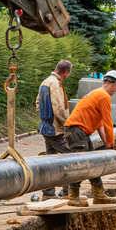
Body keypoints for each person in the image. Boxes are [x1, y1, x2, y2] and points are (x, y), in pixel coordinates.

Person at [60, 70, 116, 207]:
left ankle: (99, 195)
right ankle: (73, 197)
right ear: (113, 83)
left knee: (93, 163)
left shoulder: (97, 94)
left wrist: (109, 144)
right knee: (80, 164)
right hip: (76, 131)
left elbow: (100, 125)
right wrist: (111, 144)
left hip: (79, 132)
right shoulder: (104, 96)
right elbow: (108, 123)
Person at [35, 59, 72, 198]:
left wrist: (44, 118)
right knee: (72, 157)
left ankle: (48, 192)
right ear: (65, 72)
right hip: (55, 130)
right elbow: (59, 108)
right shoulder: (55, 84)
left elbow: (37, 103)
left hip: (46, 128)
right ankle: (68, 191)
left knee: (49, 161)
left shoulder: (45, 82)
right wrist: (68, 124)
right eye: (68, 73)